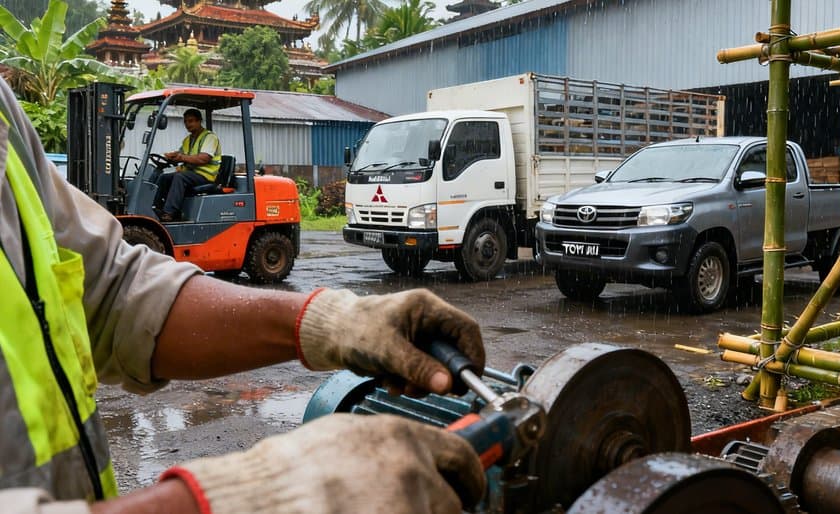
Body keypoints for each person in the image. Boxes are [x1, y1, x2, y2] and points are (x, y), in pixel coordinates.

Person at [0, 77, 486, 514]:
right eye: (187, 118)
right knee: (168, 176)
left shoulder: (6, 114)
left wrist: (329, 318)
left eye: (191, 117)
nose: (189, 123)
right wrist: (248, 499)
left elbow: (111, 289)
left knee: (175, 180)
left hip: (204, 179)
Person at [154, 108, 220, 222]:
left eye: (191, 121)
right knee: (164, 177)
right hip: (192, 174)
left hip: (206, 176)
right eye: (185, 122)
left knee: (180, 177)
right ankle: (156, 207)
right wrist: (172, 156)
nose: (188, 124)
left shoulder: (209, 137)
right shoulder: (187, 140)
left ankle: (169, 213)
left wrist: (181, 157)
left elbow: (203, 159)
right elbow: (181, 154)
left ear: (199, 121)